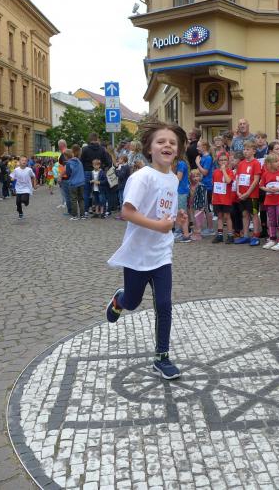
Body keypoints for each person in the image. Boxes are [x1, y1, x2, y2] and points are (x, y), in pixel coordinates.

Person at [105, 121, 188, 380]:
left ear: (177, 150)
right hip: (138, 254)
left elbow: (165, 212)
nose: (167, 145)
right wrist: (159, 226)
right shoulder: (142, 177)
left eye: (172, 142)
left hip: (162, 253)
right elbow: (127, 212)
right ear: (149, 149)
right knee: (133, 302)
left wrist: (177, 220)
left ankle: (162, 357)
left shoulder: (173, 178)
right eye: (161, 141)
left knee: (164, 304)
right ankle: (120, 300)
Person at [234, 141, 262, 245]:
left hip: (252, 195)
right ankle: (245, 235)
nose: (245, 151)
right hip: (241, 194)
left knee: (253, 214)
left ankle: (256, 235)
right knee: (244, 214)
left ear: (254, 151)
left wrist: (248, 193)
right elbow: (238, 178)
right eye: (244, 149)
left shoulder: (256, 163)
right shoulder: (241, 163)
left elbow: (256, 180)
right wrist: (238, 191)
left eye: (248, 149)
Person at [260, 153, 279, 250]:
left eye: (278, 161)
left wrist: (278, 189)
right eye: (276, 161)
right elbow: (261, 185)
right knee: (272, 221)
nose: (278, 163)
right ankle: (272, 239)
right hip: (269, 201)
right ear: (269, 163)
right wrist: (267, 189)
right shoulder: (265, 174)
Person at [81, 133, 112, 214]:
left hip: (87, 171)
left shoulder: (85, 149)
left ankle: (86, 210)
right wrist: (103, 169)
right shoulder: (102, 149)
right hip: (99, 172)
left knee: (87, 192)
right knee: (100, 192)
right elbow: (108, 162)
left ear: (90, 139)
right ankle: (101, 210)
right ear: (97, 139)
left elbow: (81, 161)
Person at [210, 152, 234, 243]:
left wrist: (224, 171)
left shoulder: (230, 171)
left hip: (226, 199)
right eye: (221, 160)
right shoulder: (215, 172)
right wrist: (213, 197)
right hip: (217, 199)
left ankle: (230, 235)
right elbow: (214, 185)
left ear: (228, 161)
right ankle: (220, 235)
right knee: (219, 216)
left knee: (227, 216)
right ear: (218, 161)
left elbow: (228, 181)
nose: (223, 162)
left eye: (225, 160)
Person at [195, 139, 214, 236]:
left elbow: (205, 172)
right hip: (202, 185)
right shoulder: (202, 157)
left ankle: (210, 229)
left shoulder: (208, 158)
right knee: (203, 207)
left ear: (204, 147)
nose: (197, 148)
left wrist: (197, 163)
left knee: (207, 208)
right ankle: (207, 227)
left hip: (207, 186)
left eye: (199, 146)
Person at [65, 146, 86, 220]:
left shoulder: (68, 163)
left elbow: (68, 174)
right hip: (81, 182)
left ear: (66, 156)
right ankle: (83, 215)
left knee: (73, 199)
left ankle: (75, 215)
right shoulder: (79, 161)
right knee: (81, 199)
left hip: (73, 183)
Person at [174, 157, 191, 242]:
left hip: (181, 191)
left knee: (181, 212)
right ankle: (180, 232)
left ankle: (182, 233)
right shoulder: (179, 163)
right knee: (179, 212)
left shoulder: (180, 163)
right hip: (179, 191)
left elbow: (178, 178)